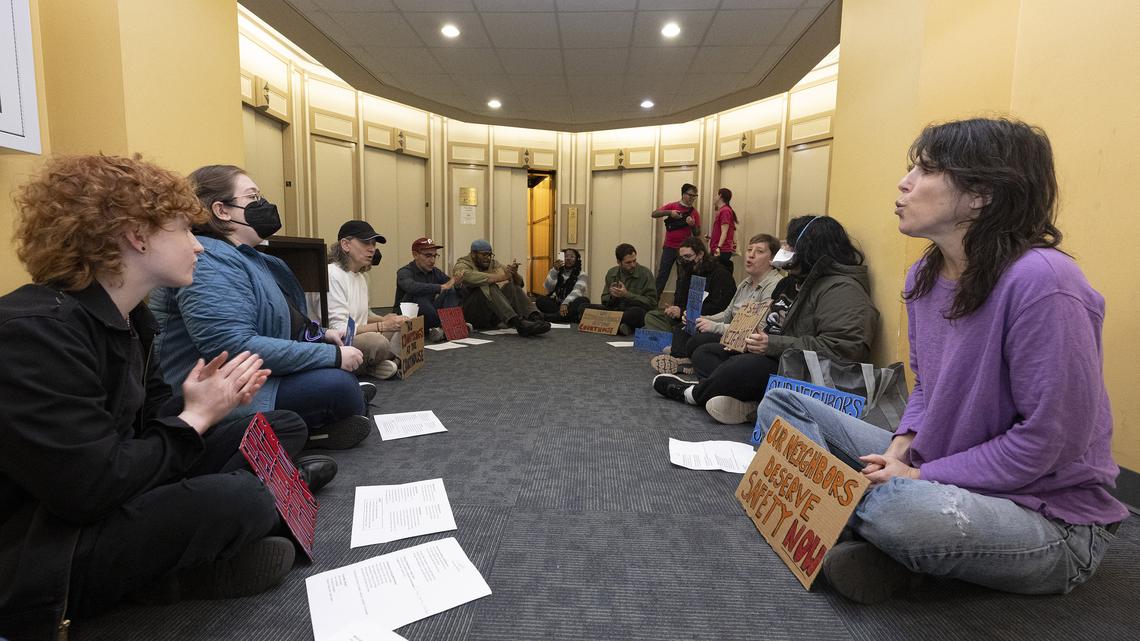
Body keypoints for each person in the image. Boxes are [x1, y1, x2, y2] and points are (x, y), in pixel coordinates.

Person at [755, 118, 1127, 605]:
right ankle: (894, 548)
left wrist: (916, 477)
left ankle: (870, 530)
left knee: (898, 509)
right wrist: (900, 450)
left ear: (981, 195)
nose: (904, 183)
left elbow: (1047, 443)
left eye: (927, 170)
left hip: (1048, 516)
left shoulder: (1045, 282)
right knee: (783, 402)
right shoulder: (924, 275)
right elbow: (928, 387)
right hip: (939, 462)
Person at [0, 155, 334, 640]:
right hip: (50, 545)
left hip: (119, 487)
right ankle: (181, 570)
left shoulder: (132, 319)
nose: (197, 244)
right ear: (136, 237)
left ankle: (252, 511)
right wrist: (195, 418)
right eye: (182, 229)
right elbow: (89, 489)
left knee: (272, 426)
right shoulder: (33, 333)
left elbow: (148, 427)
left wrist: (209, 403)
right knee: (240, 498)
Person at [150, 165, 372, 450]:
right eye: (253, 197)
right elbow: (231, 347)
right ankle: (309, 430)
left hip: (254, 375)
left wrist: (323, 335)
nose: (263, 204)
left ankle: (326, 417)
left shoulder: (254, 258)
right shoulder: (209, 261)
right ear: (222, 210)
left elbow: (286, 322)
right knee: (340, 386)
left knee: (342, 381)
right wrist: (331, 355)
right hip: (212, 392)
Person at [654, 215, 878, 425]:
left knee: (742, 367)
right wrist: (746, 340)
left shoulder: (842, 290)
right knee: (707, 352)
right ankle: (749, 402)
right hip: (774, 354)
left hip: (799, 369)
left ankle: (693, 393)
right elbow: (770, 323)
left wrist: (771, 344)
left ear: (809, 249)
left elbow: (843, 350)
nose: (785, 249)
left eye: (790, 245)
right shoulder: (794, 282)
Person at [652, 234, 782, 375]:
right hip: (730, 334)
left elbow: (757, 329)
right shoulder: (745, 283)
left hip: (746, 343)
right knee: (688, 332)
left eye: (759, 251)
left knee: (700, 346)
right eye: (749, 250)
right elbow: (727, 314)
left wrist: (713, 326)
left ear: (772, 259)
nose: (751, 255)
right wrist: (701, 319)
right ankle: (691, 361)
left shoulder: (775, 286)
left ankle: (692, 362)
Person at [327, 219, 408, 380]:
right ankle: (382, 363)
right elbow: (339, 329)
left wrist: (384, 320)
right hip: (337, 342)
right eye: (365, 243)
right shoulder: (332, 274)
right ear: (345, 245)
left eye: (373, 244)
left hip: (355, 335)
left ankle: (375, 365)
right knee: (377, 342)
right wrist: (382, 325)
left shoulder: (361, 277)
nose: (372, 249)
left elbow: (358, 318)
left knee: (401, 327)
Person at [642, 236, 735, 342]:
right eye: (681, 258)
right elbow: (681, 300)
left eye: (688, 256)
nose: (684, 261)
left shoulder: (720, 275)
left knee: (676, 330)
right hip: (685, 318)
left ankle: (671, 337)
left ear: (700, 254)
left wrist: (683, 312)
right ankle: (671, 337)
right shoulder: (688, 271)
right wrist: (675, 309)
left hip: (707, 320)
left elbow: (719, 308)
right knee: (652, 316)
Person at [454, 239, 550, 336]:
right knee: (488, 286)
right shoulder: (462, 264)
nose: (488, 258)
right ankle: (517, 323)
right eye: (484, 254)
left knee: (512, 286)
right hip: (473, 314)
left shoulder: (494, 263)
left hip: (491, 315)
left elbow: (520, 284)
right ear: (473, 254)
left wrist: (514, 273)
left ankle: (535, 317)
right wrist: (502, 277)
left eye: (490, 254)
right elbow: (472, 277)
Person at [394, 236, 462, 341]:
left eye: (435, 256)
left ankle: (444, 328)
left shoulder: (435, 271)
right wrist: (440, 287)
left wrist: (457, 284)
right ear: (415, 255)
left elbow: (449, 285)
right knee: (419, 296)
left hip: (429, 314)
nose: (432, 260)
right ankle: (448, 327)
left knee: (451, 290)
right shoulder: (404, 272)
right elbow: (411, 287)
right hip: (408, 316)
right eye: (428, 256)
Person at [589, 243, 659, 335]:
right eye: (628, 262)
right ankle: (621, 326)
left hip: (634, 311)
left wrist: (627, 294)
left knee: (636, 313)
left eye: (634, 261)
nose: (633, 265)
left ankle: (609, 324)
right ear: (619, 262)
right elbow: (604, 300)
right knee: (584, 307)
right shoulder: (612, 273)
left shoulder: (645, 274)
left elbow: (652, 303)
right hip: (616, 311)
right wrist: (612, 296)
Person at [650, 183, 701, 295]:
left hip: (685, 250)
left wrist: (692, 225)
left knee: (682, 278)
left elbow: (697, 233)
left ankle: (678, 303)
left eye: (695, 196)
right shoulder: (672, 206)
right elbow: (654, 214)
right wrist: (670, 213)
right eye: (690, 195)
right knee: (662, 275)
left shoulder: (694, 213)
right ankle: (653, 301)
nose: (692, 198)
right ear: (683, 194)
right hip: (669, 247)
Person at [536, 248, 589, 323]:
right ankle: (567, 317)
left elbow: (577, 291)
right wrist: (554, 270)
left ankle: (554, 317)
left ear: (576, 260)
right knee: (540, 300)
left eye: (572, 257)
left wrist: (565, 303)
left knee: (583, 300)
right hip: (557, 304)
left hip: (571, 304)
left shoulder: (582, 274)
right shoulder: (556, 271)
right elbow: (548, 287)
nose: (568, 259)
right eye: (566, 256)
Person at [708, 188, 739, 274]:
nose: (714, 197)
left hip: (722, 250)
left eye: (716, 195)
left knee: (718, 275)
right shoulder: (723, 210)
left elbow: (724, 231)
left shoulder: (725, 211)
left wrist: (719, 247)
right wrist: (711, 238)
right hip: (718, 249)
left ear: (720, 196)